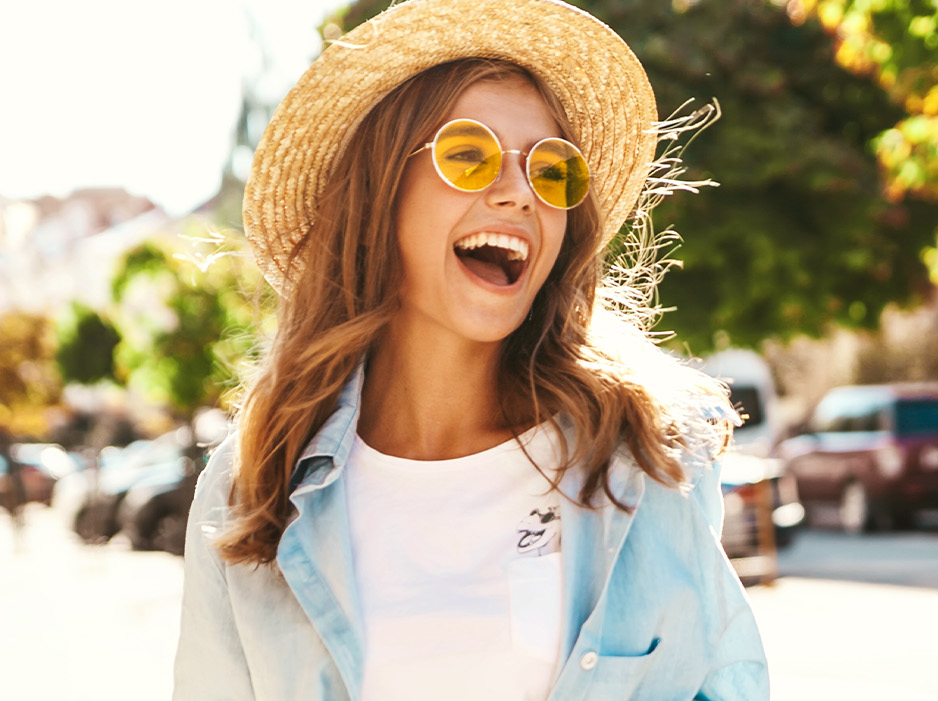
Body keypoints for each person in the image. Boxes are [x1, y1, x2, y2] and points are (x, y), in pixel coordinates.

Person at [173, 0, 769, 698]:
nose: (520, 193)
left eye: (553, 172)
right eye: (468, 155)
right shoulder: (253, 484)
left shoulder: (645, 455)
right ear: (380, 192)